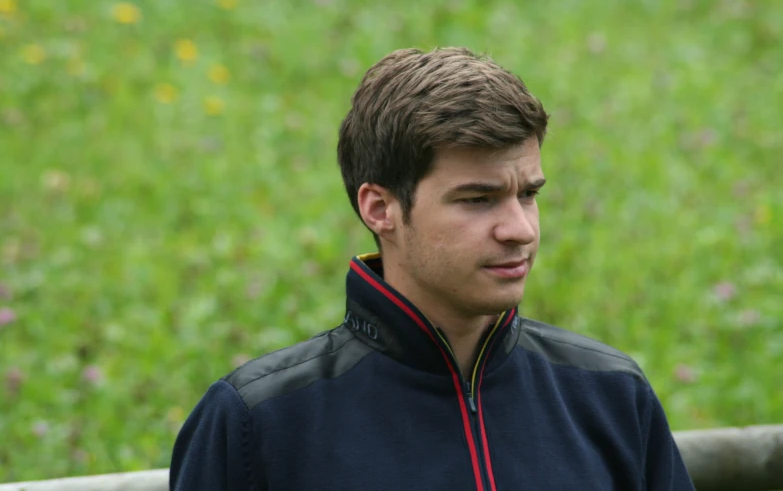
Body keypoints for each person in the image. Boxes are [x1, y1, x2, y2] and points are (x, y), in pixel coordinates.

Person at [170, 47, 695, 490]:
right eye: (477, 199)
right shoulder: (260, 422)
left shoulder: (611, 396)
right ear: (380, 208)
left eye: (528, 194)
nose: (521, 229)